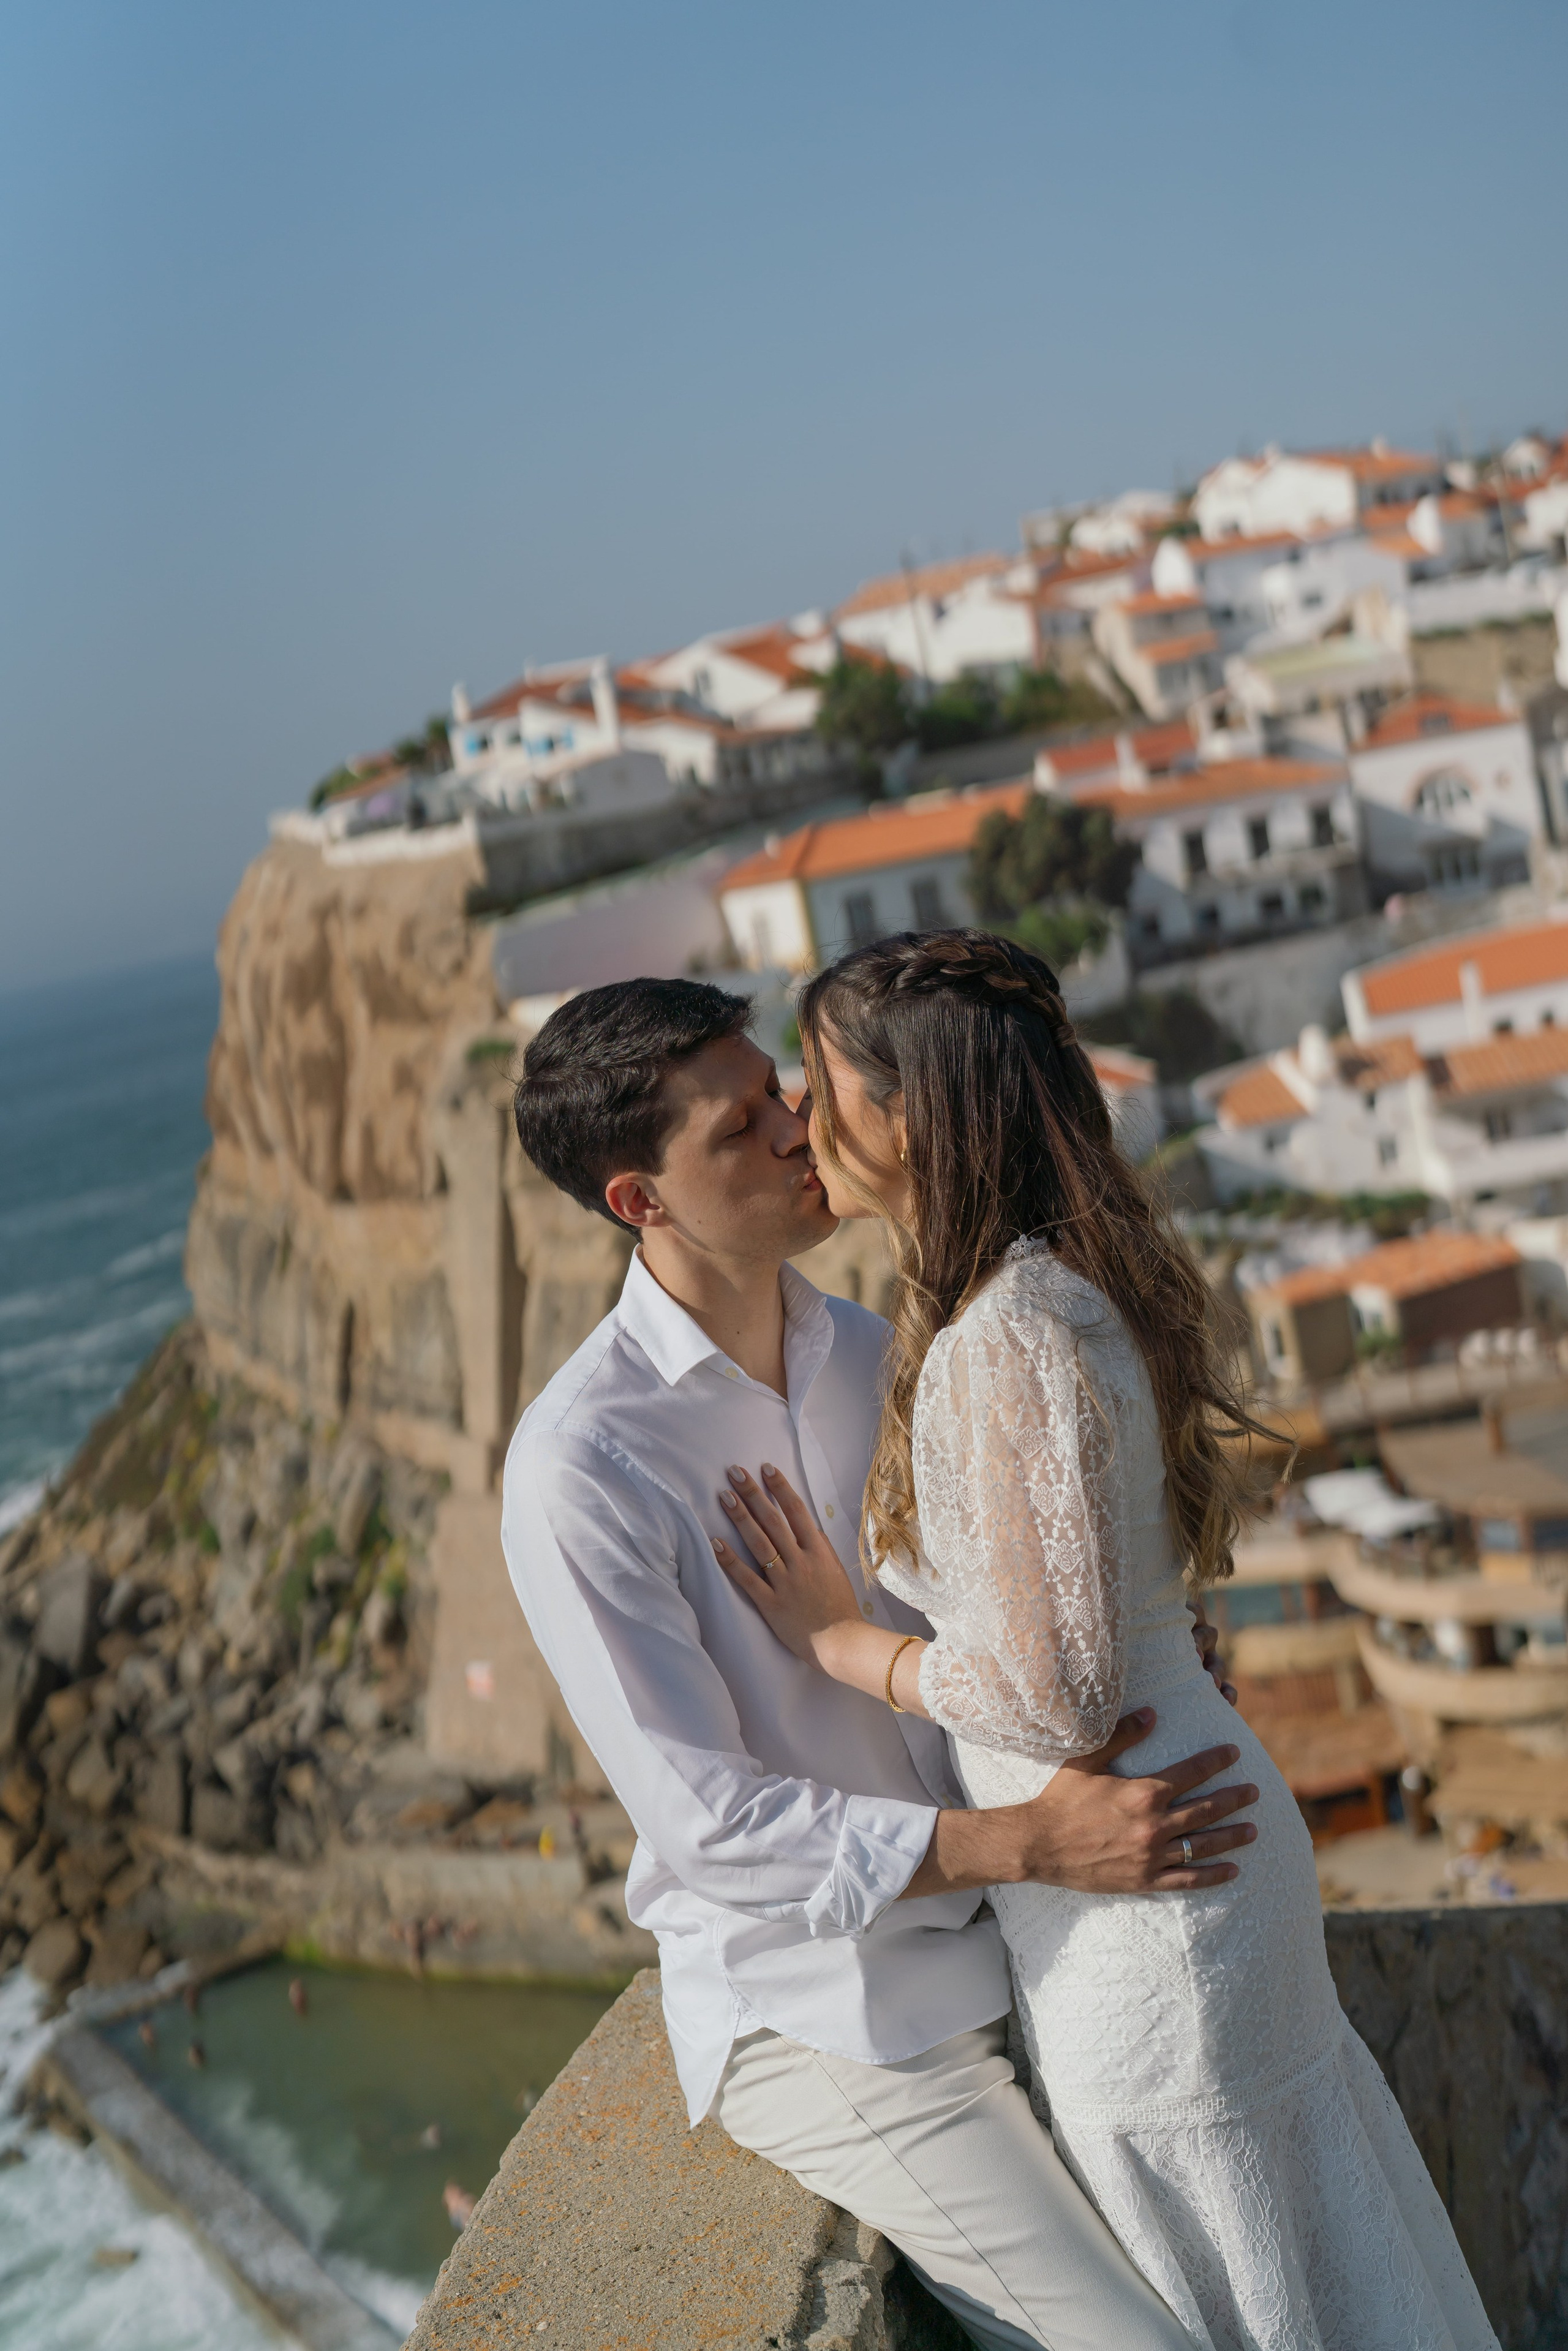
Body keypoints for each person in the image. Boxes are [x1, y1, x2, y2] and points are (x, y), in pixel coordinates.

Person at [712, 929, 1496, 2351]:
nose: (806, 1124)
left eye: (826, 1091)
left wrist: (845, 1644)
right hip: (1162, 1845)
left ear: (917, 1110)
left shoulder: (1006, 1332)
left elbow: (1055, 1691)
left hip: (1145, 1883)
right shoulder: (1037, 1292)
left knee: (1249, 2280)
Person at [505, 975, 1262, 2351]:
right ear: (640, 1200)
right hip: (831, 2013)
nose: (798, 1132)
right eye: (742, 1129)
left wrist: (1139, 1657)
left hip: (1019, 1943)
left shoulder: (877, 1350)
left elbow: (1012, 1630)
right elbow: (712, 1827)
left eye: (783, 1096)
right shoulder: (581, 1467)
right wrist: (1030, 1839)